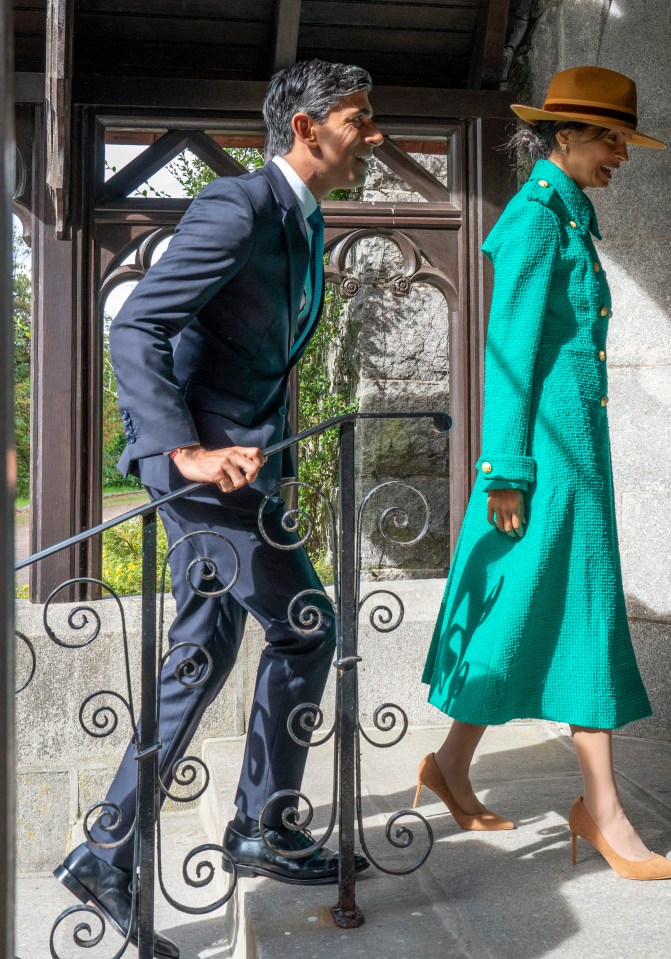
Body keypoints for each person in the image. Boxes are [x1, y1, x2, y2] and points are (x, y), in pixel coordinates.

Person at [53, 59, 384, 957]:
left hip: (242, 472)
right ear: (307, 128)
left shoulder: (304, 219)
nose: (374, 134)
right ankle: (261, 827)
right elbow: (136, 324)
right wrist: (182, 448)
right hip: (203, 474)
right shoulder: (239, 204)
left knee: (201, 653)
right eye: (360, 119)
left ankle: (112, 852)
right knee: (307, 622)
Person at [418, 66, 671, 881]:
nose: (622, 155)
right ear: (564, 135)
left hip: (570, 452)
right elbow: (509, 358)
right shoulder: (537, 220)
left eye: (624, 140)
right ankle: (601, 810)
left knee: (513, 612)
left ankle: (448, 765)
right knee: (583, 611)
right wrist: (508, 471)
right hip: (544, 460)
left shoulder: (565, 213)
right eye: (611, 138)